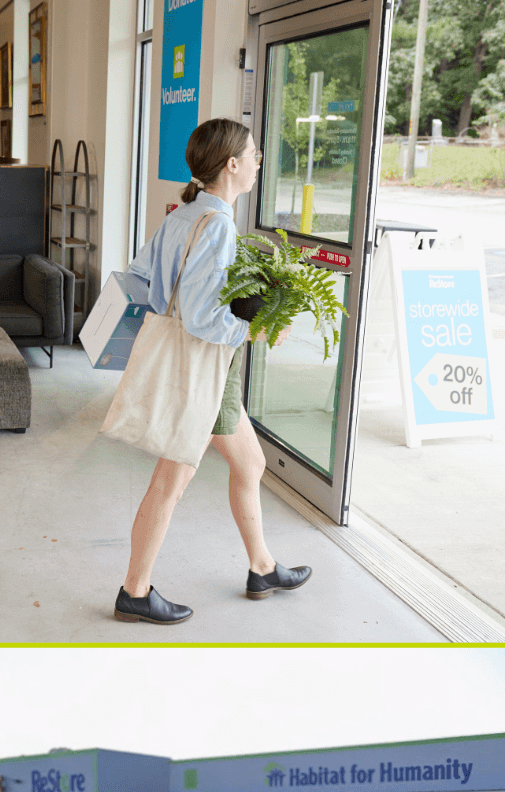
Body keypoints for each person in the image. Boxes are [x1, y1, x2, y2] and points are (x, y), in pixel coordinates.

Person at [114, 118, 311, 625]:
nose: (257, 163)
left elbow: (143, 278)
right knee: (172, 481)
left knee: (246, 466)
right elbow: (203, 317)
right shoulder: (218, 223)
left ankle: (262, 566)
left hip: (195, 369)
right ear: (232, 164)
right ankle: (135, 591)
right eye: (254, 155)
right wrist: (257, 330)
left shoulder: (183, 214)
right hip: (204, 373)